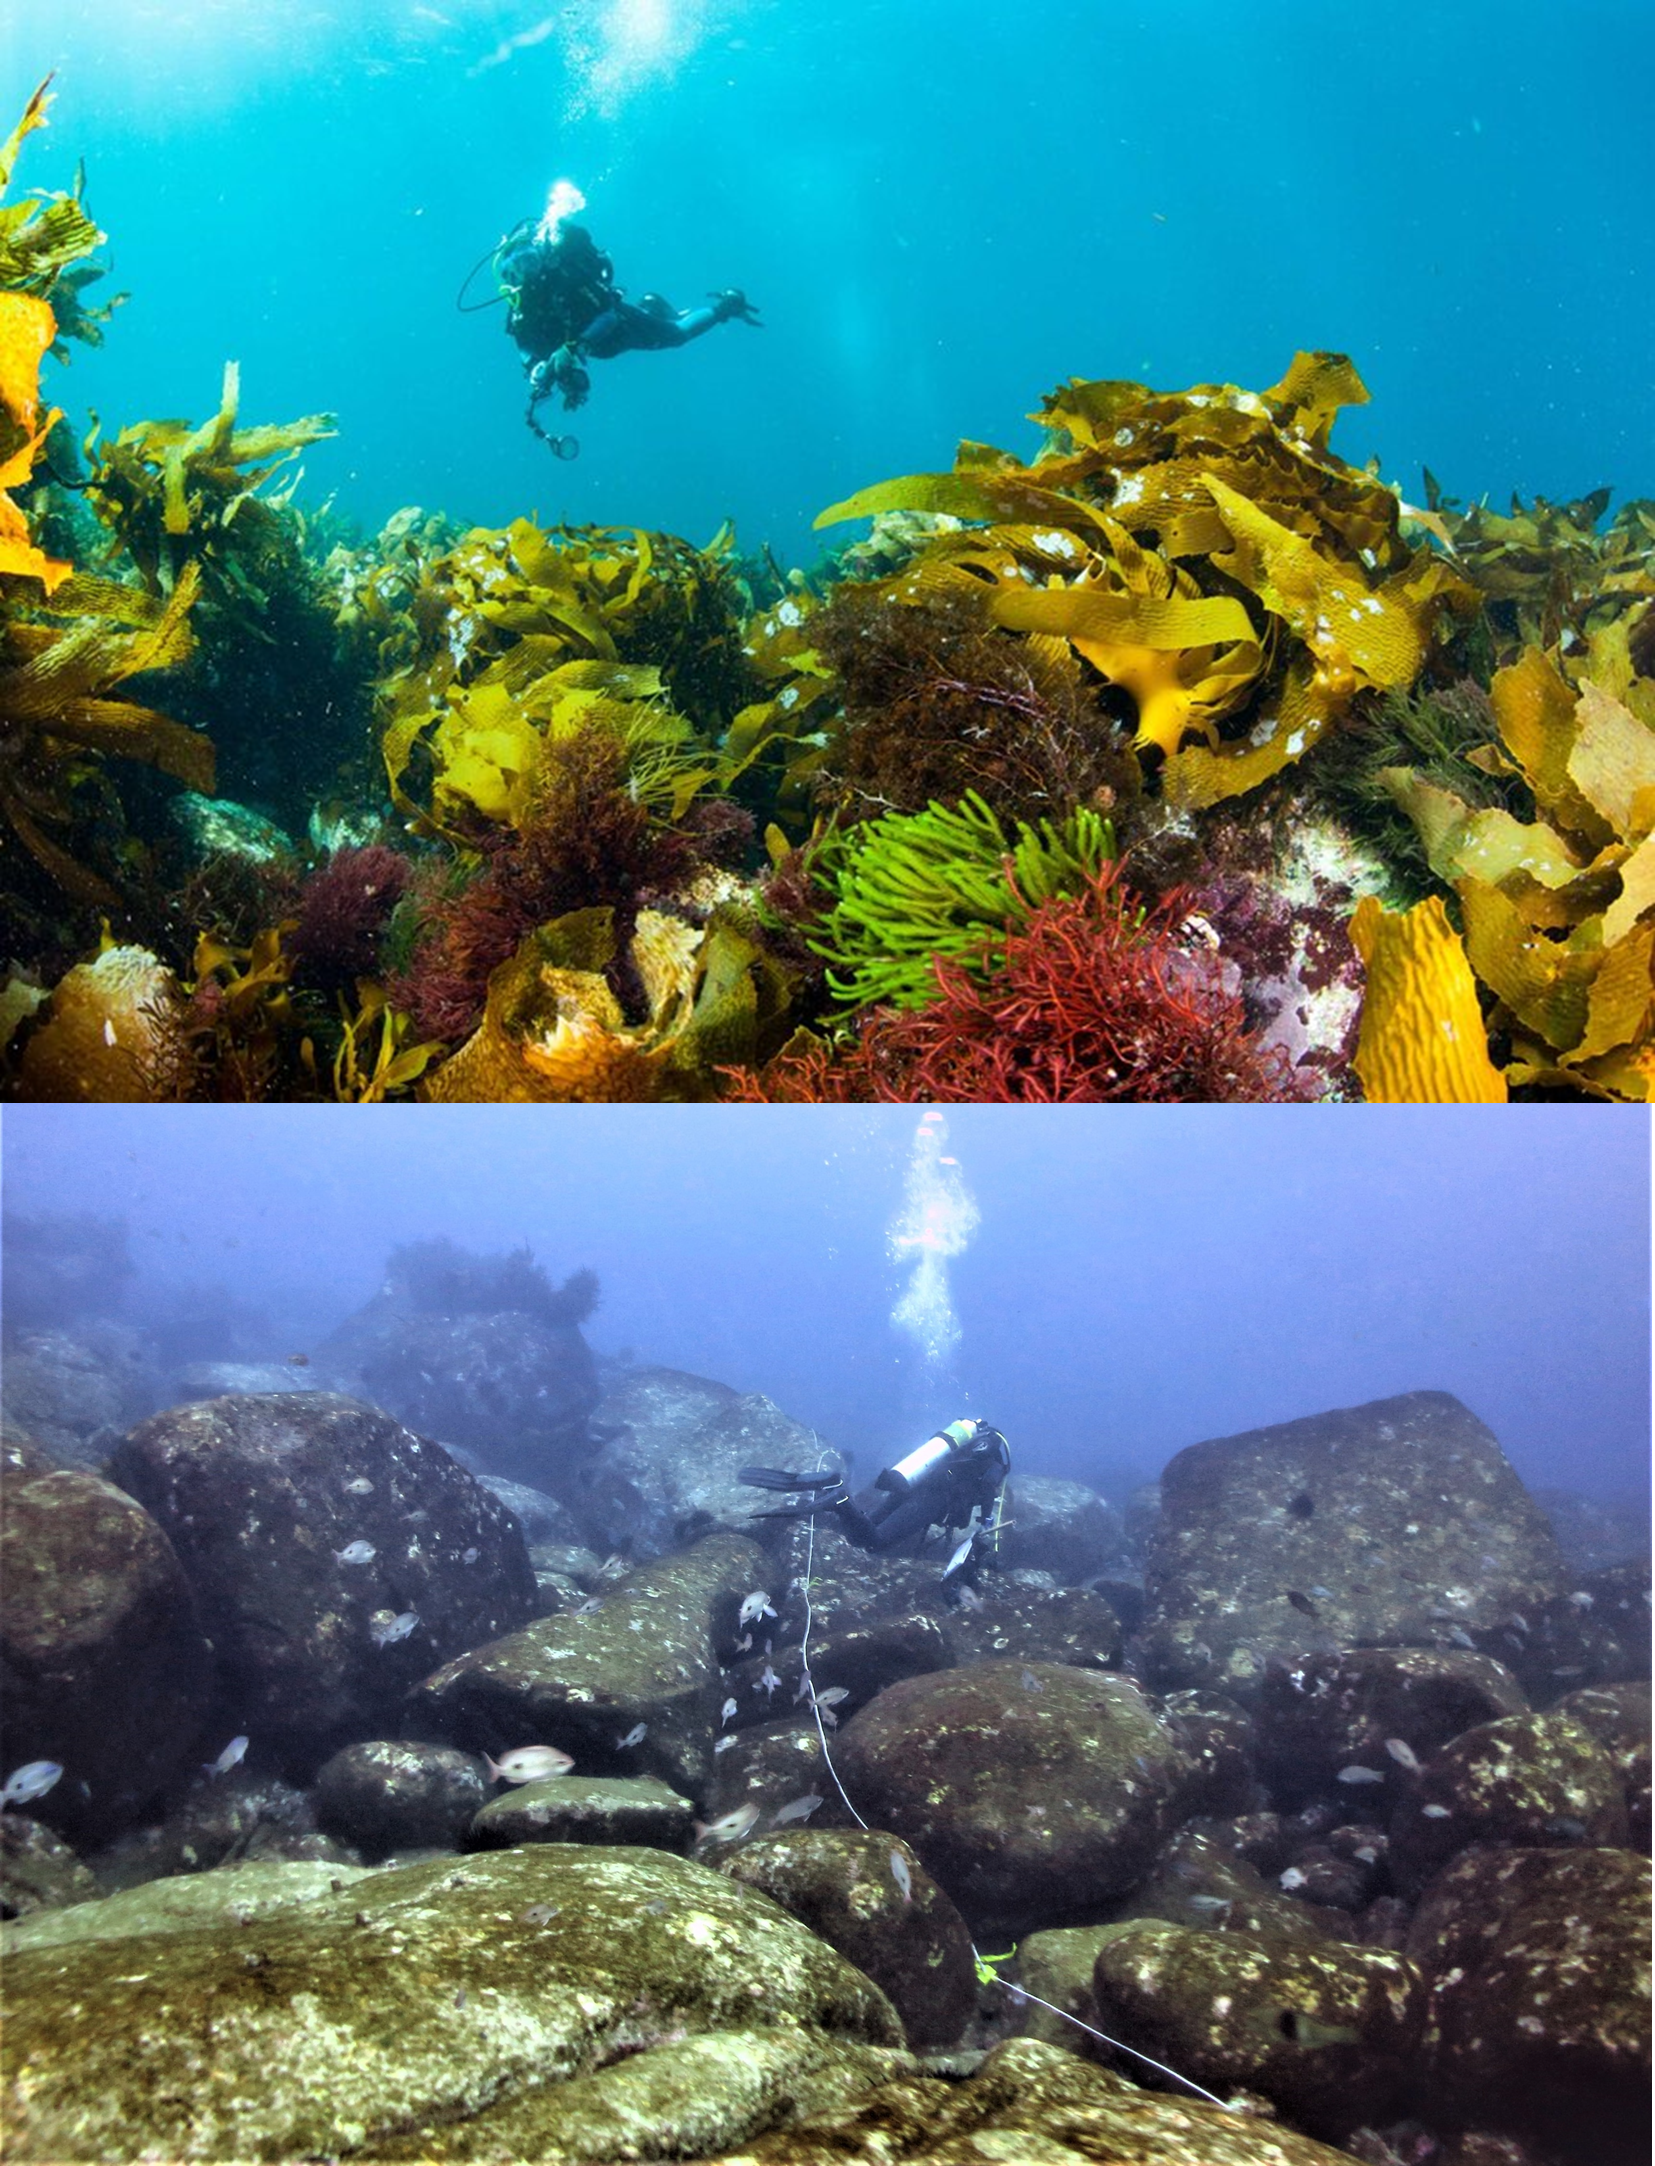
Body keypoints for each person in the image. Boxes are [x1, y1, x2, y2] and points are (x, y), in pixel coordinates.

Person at [491, 212, 760, 455]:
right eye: (513, 271)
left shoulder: (567, 277)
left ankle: (725, 307)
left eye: (528, 261)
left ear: (540, 256)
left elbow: (607, 315)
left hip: (621, 326)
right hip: (600, 348)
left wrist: (575, 347)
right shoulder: (521, 312)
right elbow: (527, 351)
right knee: (661, 330)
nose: (524, 274)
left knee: (677, 335)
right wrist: (541, 373)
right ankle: (652, 306)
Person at [740, 1418, 1010, 1572]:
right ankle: (840, 1497)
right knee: (875, 1542)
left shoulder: (967, 1446)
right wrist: (987, 1520)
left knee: (859, 1535)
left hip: (910, 1484)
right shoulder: (996, 1464)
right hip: (930, 1500)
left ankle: (835, 1489)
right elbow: (988, 1487)